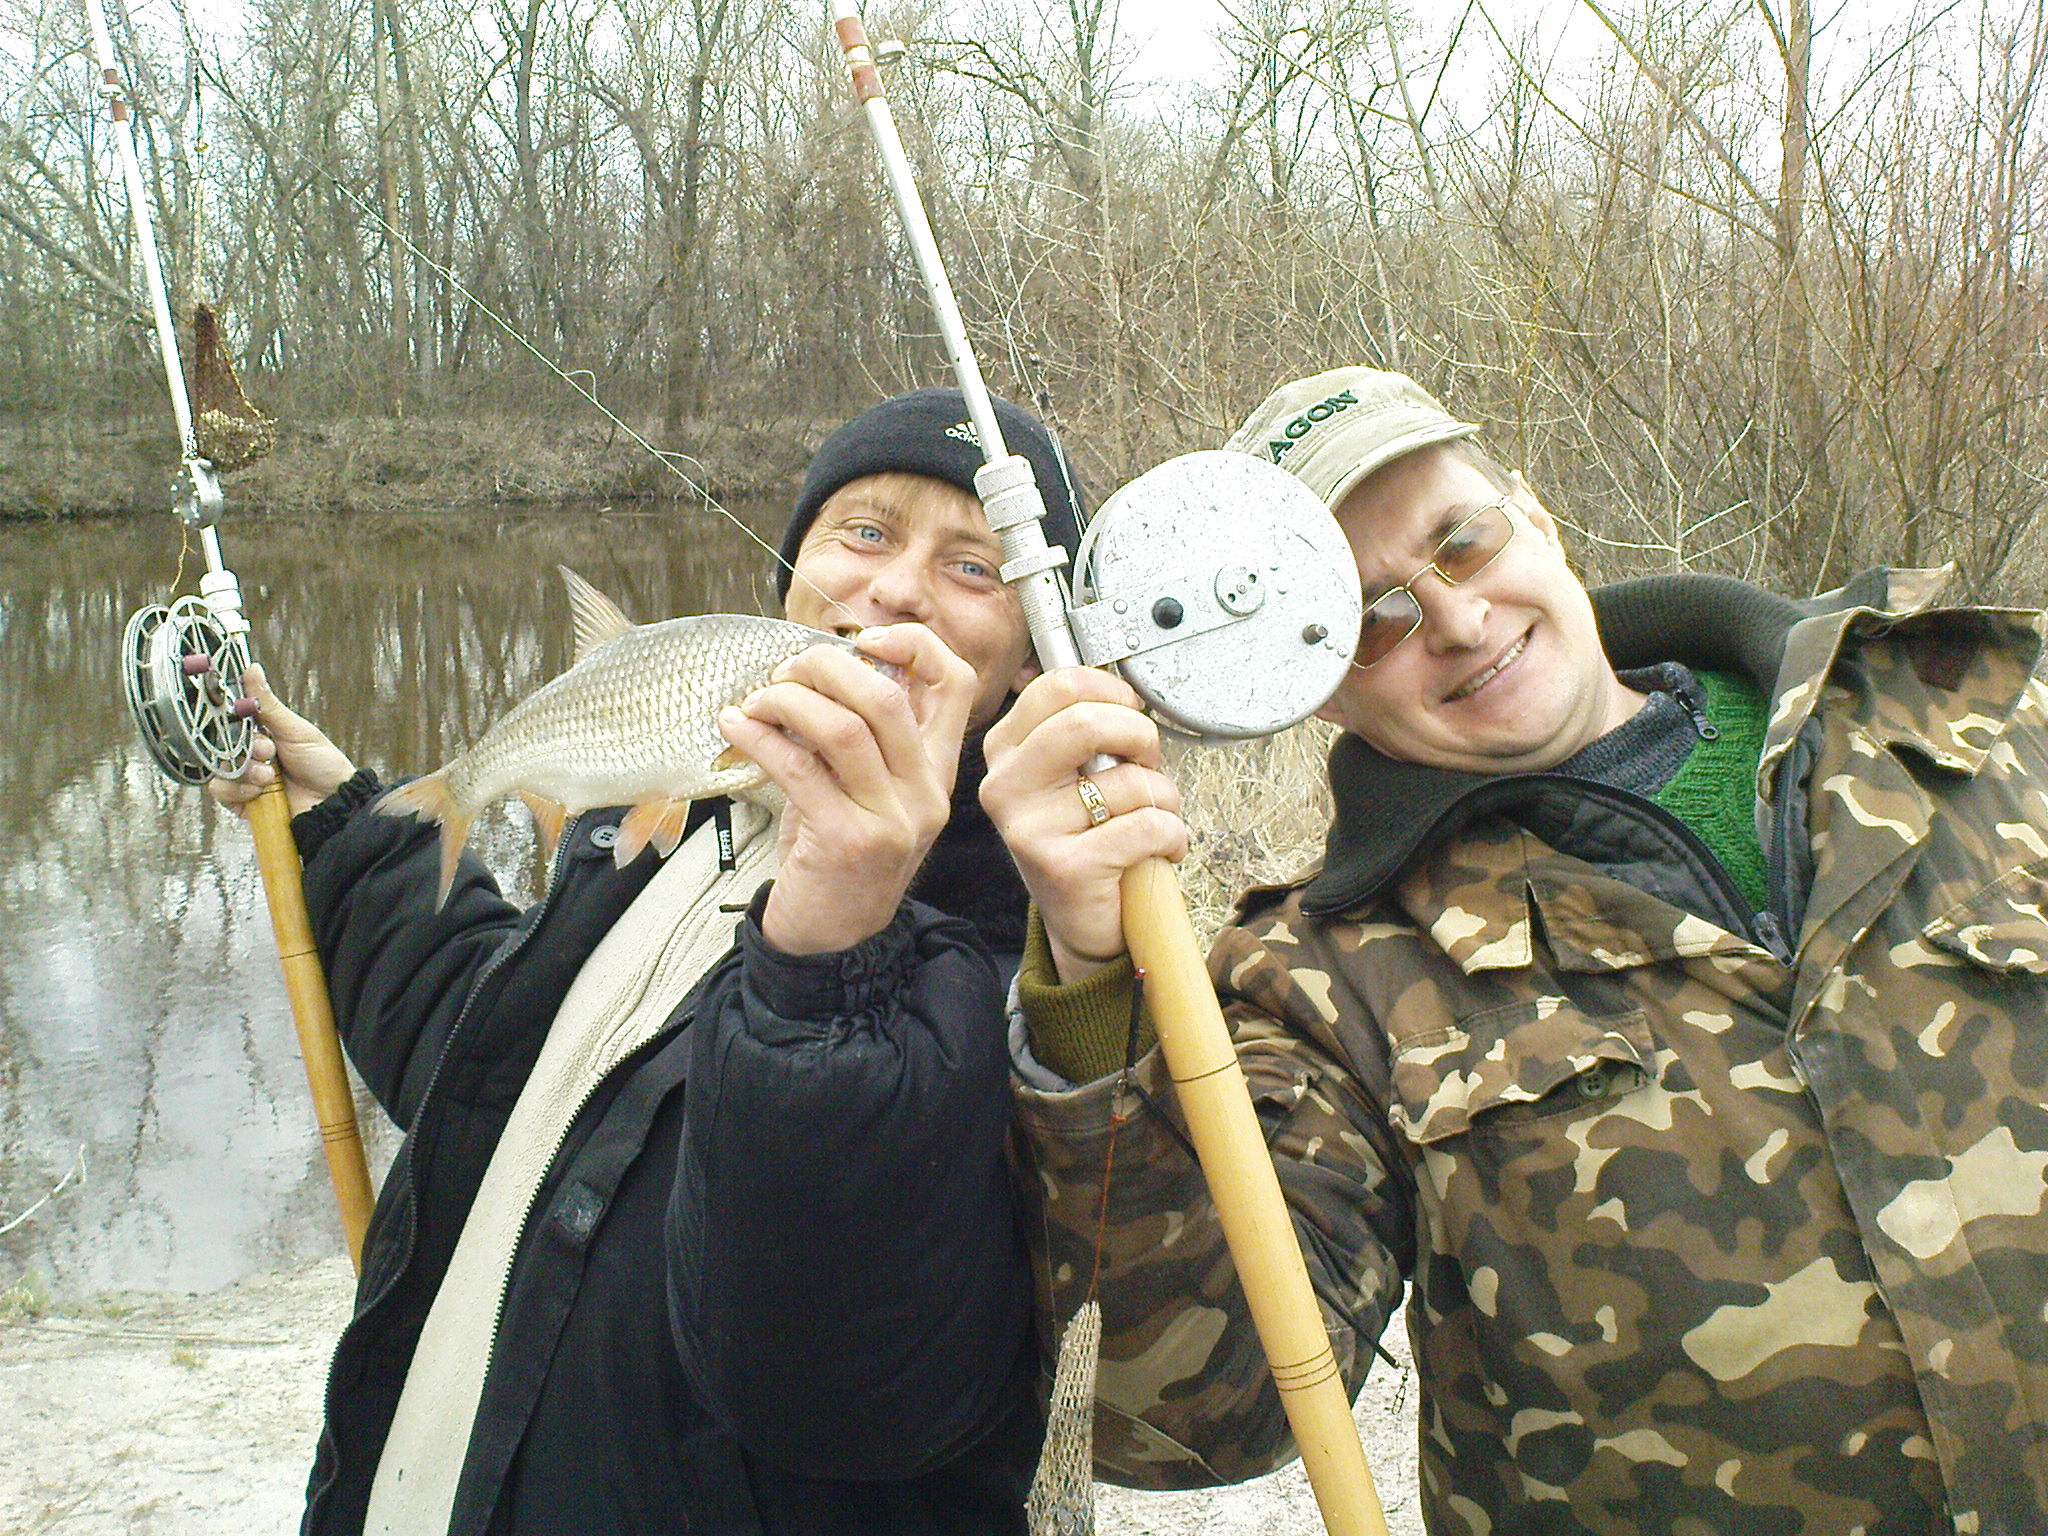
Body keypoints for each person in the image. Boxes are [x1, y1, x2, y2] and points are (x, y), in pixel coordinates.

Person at [983, 366, 2048, 1534]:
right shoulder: (1324, 983)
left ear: (1534, 515)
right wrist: (1095, 982)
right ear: (1314, 688)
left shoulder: (1986, 713)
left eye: (1463, 542)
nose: (1455, 621)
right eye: (1372, 620)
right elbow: (1184, 1416)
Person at [210, 387, 1084, 1536]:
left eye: (974, 566)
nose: (898, 589)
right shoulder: (666, 819)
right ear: (791, 577)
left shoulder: (1048, 961)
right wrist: (345, 830)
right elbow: (506, 1082)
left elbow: (849, 1392)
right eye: (864, 532)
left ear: (1029, 657)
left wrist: (830, 956)